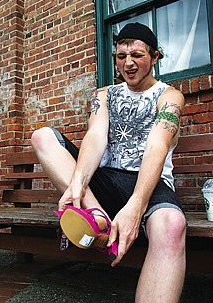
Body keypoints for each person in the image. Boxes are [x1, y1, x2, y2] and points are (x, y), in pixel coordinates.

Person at [31, 22, 186, 302]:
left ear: (154, 57)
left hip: (147, 183)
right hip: (103, 184)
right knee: (42, 136)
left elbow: (157, 145)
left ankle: (109, 220)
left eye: (137, 55)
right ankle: (98, 218)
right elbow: (96, 137)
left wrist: (135, 207)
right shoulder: (104, 95)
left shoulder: (170, 97)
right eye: (121, 56)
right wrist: (77, 184)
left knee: (172, 225)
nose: (128, 63)